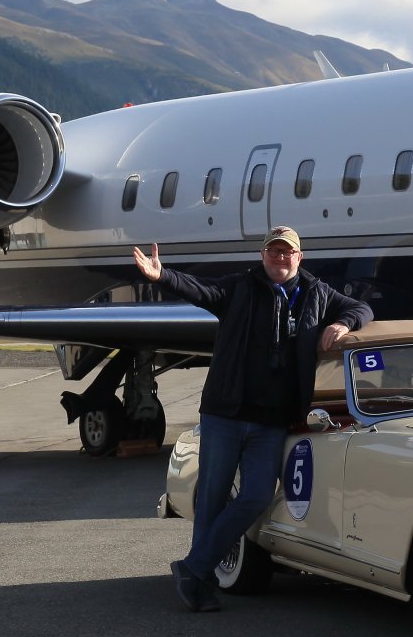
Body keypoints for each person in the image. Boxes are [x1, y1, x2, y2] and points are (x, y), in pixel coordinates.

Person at [134, 226, 373, 612]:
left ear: (299, 257)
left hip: (271, 423)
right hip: (225, 415)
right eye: (273, 251)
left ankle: (194, 567)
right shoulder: (239, 288)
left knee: (257, 497)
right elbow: (200, 290)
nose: (280, 258)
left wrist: (343, 324)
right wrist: (162, 276)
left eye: (287, 252)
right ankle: (199, 584)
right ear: (263, 255)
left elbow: (363, 308)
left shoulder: (317, 294)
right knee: (212, 499)